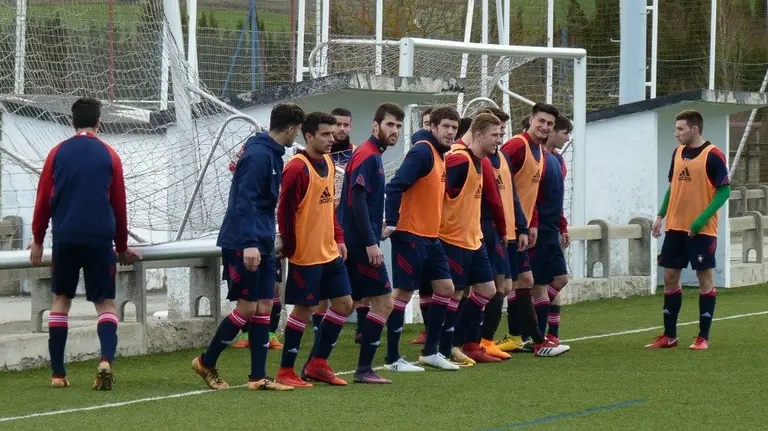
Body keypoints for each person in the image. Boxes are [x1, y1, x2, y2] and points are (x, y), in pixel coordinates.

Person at [192, 103, 305, 392]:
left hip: (263, 242)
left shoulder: (271, 154)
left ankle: (257, 377)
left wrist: (270, 239)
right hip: (244, 242)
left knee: (266, 304)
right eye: (298, 130)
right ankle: (206, 362)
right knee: (247, 307)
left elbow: (265, 205)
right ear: (292, 129)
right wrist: (252, 243)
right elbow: (245, 201)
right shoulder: (258, 155)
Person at [30, 97, 140, 390]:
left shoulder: (56, 153)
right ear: (99, 123)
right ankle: (105, 360)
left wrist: (38, 239)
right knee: (105, 304)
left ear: (72, 122)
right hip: (99, 239)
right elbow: (119, 204)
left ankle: (58, 374)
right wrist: (120, 246)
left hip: (65, 237)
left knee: (61, 300)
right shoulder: (110, 154)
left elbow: (43, 200)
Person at [275, 111, 353, 387]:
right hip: (306, 254)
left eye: (333, 134)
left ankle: (318, 363)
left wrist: (339, 237)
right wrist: (291, 246)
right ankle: (285, 371)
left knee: (344, 303)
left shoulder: (330, 164)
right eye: (325, 134)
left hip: (329, 250)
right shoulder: (296, 167)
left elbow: (329, 206)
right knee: (304, 311)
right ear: (308, 136)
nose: (332, 139)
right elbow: (284, 212)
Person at [383, 106, 462, 372]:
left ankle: (431, 352)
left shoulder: (441, 155)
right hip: (410, 235)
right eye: (446, 127)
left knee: (446, 288)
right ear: (434, 127)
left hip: (430, 237)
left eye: (454, 127)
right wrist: (392, 222)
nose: (450, 132)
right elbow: (394, 186)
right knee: (404, 293)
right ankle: (393, 358)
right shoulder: (422, 151)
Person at [649, 110, 730, 351]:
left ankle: (703, 337)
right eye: (676, 129)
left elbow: (724, 191)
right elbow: (672, 187)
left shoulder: (713, 155)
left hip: (702, 231)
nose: (676, 134)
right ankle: (669, 335)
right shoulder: (677, 153)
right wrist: (660, 215)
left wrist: (699, 221)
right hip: (675, 227)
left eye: (680, 129)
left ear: (695, 129)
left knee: (704, 278)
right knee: (669, 277)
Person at [338, 103, 406, 383]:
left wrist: (377, 228)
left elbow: (363, 201)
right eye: (390, 125)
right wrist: (370, 242)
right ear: (376, 126)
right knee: (383, 302)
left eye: (399, 126)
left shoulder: (371, 154)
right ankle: (364, 369)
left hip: (355, 240)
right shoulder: (367, 156)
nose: (395, 131)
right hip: (359, 245)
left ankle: (316, 363)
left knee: (344, 304)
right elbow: (357, 200)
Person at [497, 103, 569, 357]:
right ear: (530, 119)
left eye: (549, 124)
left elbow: (530, 194)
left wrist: (532, 223)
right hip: (504, 228)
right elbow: (502, 183)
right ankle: (490, 339)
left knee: (523, 282)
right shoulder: (516, 145)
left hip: (523, 229)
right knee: (497, 286)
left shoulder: (541, 151)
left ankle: (530, 338)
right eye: (541, 121)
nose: (545, 127)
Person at [438, 113, 507, 365]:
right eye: (495, 135)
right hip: (453, 238)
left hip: (474, 238)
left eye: (500, 135)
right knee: (453, 295)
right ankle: (445, 348)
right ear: (478, 134)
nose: (499, 141)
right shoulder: (457, 158)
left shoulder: (478, 159)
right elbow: (437, 193)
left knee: (487, 290)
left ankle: (467, 343)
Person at [469, 108, 530, 359]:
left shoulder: (501, 157)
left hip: (502, 229)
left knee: (503, 285)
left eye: (502, 130)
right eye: (496, 132)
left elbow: (510, 196)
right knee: (484, 287)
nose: (500, 136)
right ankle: (472, 340)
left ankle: (485, 339)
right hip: (484, 228)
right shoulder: (474, 159)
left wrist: (521, 225)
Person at [530, 115, 572, 343]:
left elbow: (558, 199)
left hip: (552, 228)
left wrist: (563, 225)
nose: (567, 138)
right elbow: (532, 197)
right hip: (539, 230)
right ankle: (533, 328)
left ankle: (548, 332)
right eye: (565, 132)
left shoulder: (558, 160)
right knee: (539, 283)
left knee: (559, 279)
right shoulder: (536, 157)